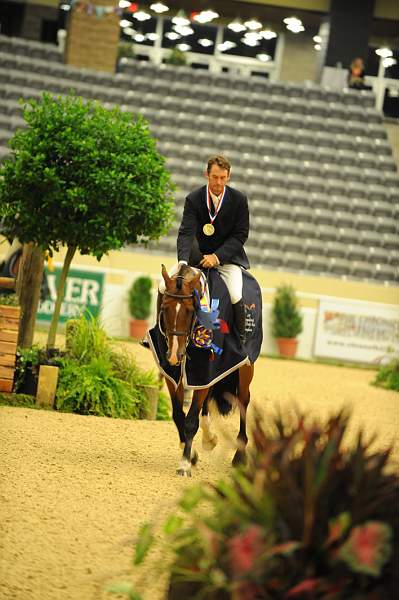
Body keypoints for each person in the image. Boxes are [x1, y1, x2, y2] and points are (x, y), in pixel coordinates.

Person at [159, 155, 250, 344]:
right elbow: (186, 233)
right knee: (162, 285)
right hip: (196, 259)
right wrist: (183, 262)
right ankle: (159, 333)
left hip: (227, 259)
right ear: (206, 175)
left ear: (229, 177)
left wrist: (217, 257)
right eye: (215, 177)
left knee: (235, 294)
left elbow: (240, 235)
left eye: (223, 178)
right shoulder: (194, 199)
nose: (218, 182)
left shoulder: (239, 200)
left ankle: (241, 341)